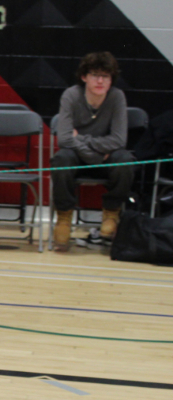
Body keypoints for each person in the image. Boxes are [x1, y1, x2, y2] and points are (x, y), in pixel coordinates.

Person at [51, 52, 132, 252]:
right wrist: (95, 154)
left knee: (125, 160)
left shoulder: (117, 97)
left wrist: (80, 138)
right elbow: (64, 139)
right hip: (82, 157)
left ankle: (111, 213)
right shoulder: (71, 95)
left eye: (106, 76)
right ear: (84, 77)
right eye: (95, 75)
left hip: (106, 158)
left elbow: (119, 140)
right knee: (61, 158)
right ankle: (63, 218)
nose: (100, 81)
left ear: (111, 79)